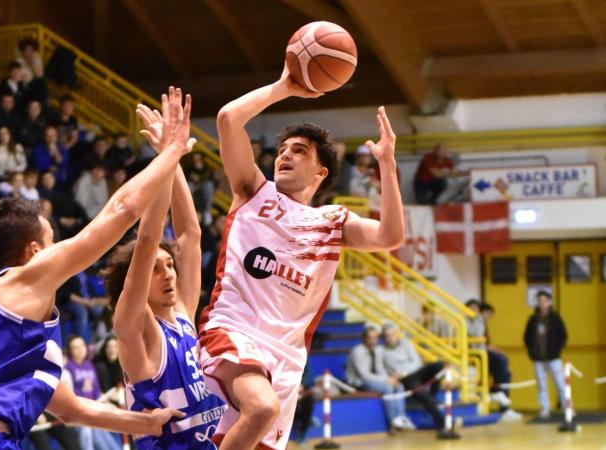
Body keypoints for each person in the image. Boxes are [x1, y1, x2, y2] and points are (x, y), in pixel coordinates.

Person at [0, 86, 194, 450]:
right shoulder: (27, 277)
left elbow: (71, 410)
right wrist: (172, 152)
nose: (61, 249)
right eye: (54, 239)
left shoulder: (10, 334)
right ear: (36, 249)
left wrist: (147, 422)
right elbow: (121, 210)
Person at [197, 67, 404, 450]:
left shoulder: (333, 221)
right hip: (233, 333)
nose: (285, 156)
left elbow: (390, 236)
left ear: (321, 172)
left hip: (287, 358)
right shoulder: (254, 192)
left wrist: (388, 165)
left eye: (299, 151)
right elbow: (228, 119)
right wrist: (283, 87)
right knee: (261, 408)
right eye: (282, 150)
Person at [107, 90, 225, 448]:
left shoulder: (183, 314)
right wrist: (166, 157)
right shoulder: (136, 326)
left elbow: (190, 234)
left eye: (170, 265)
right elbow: (146, 242)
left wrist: (172, 158)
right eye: (157, 269)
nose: (169, 273)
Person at [345, 324, 414, 431]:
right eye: (370, 338)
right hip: (358, 382)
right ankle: (392, 422)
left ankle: (401, 417)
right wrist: (386, 380)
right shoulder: (357, 351)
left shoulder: (377, 350)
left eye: (376, 338)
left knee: (399, 385)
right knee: (387, 388)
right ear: (364, 338)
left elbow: (379, 369)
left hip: (374, 380)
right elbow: (364, 375)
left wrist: (391, 379)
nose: (373, 341)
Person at [381, 322, 446, 433]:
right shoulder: (381, 351)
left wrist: (404, 371)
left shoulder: (406, 343)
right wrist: (395, 376)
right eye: (387, 336)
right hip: (406, 380)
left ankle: (433, 394)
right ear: (384, 337)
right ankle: (441, 422)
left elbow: (416, 361)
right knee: (422, 393)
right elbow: (384, 370)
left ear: (396, 334)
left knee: (440, 366)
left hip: (416, 372)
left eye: (392, 335)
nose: (390, 338)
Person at [466, 299, 521, 421]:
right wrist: (479, 319)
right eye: (472, 308)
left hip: (482, 354)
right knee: (500, 360)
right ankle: (495, 392)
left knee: (505, 372)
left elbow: (483, 341)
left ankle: (501, 399)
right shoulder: (466, 321)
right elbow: (475, 334)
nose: (475, 311)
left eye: (476, 309)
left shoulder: (479, 322)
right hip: (473, 355)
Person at [65, 335, 121, 450]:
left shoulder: (89, 364)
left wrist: (104, 403)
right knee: (103, 446)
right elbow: (70, 396)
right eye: (75, 347)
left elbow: (96, 390)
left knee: (113, 446)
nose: (80, 349)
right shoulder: (68, 368)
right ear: (70, 351)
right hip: (83, 414)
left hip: (95, 410)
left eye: (82, 346)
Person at [523, 290, 568, 419]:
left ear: (549, 302)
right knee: (541, 385)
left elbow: (563, 335)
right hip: (538, 358)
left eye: (544, 300)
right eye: (539, 300)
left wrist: (557, 349)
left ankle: (567, 407)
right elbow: (527, 336)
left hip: (553, 357)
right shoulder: (533, 319)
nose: (542, 303)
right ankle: (544, 409)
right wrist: (531, 351)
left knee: (560, 383)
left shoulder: (555, 318)